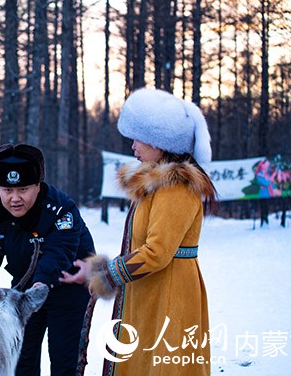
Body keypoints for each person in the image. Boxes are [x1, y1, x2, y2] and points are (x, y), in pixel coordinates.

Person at [61, 87, 217, 376]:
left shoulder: (176, 188)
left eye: (139, 139)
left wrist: (104, 275)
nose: (133, 146)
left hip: (169, 293)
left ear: (160, 142)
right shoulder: (156, 184)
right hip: (148, 290)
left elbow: (157, 253)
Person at [0, 143, 96, 376]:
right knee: (21, 361)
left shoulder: (61, 210)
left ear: (38, 186)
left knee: (63, 361)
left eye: (23, 189)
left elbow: (59, 253)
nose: (15, 198)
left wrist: (39, 285)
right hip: (24, 289)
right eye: (7, 190)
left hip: (68, 286)